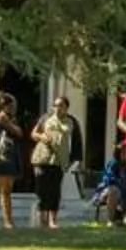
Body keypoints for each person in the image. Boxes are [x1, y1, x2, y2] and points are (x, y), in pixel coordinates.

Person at [32, 96, 80, 228]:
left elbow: (73, 137)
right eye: (55, 105)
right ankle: (43, 219)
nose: (57, 108)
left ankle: (52, 221)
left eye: (61, 105)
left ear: (66, 108)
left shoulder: (71, 121)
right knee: (42, 190)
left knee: (55, 191)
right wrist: (41, 136)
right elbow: (33, 133)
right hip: (42, 158)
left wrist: (75, 159)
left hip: (59, 160)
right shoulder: (45, 118)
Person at [0, 93, 27, 231]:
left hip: (11, 154)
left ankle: (8, 221)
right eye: (12, 105)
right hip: (2, 154)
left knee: (7, 190)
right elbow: (17, 132)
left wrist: (16, 127)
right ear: (5, 105)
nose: (14, 108)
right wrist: (14, 127)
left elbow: (19, 132)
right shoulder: (2, 117)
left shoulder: (10, 118)